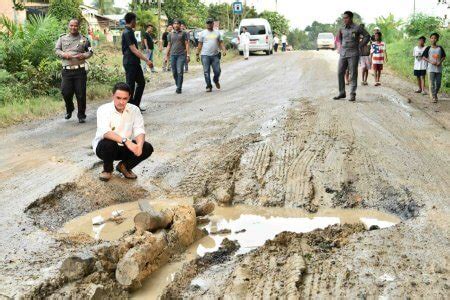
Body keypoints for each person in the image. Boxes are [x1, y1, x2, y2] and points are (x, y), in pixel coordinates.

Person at [92, 82, 153, 182]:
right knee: (108, 143)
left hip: (124, 148)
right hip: (105, 149)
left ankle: (124, 166)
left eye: (125, 99)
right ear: (113, 96)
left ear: (129, 97)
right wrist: (126, 141)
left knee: (147, 147)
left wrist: (139, 146)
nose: (121, 102)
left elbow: (139, 129)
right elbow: (105, 132)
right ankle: (107, 170)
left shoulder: (134, 110)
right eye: (118, 98)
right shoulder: (103, 109)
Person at [55, 18, 93, 123]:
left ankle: (81, 115)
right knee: (65, 92)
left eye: (75, 25)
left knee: (80, 94)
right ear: (69, 26)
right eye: (71, 25)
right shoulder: (62, 38)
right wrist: (63, 54)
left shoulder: (84, 39)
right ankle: (69, 109)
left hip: (79, 71)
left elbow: (90, 51)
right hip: (67, 71)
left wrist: (84, 55)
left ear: (78, 27)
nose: (73, 27)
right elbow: (57, 50)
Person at [333, 11, 370, 102]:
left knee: (353, 74)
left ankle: (352, 94)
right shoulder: (342, 28)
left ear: (351, 18)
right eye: (344, 18)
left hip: (353, 53)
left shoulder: (357, 28)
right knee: (340, 72)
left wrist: (360, 45)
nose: (344, 19)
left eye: (346, 18)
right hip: (343, 53)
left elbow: (367, 36)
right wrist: (341, 47)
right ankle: (342, 92)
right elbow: (340, 39)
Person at [121, 12, 153, 111]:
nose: (136, 22)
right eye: (135, 20)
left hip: (135, 62)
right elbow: (133, 49)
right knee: (130, 85)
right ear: (133, 20)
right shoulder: (127, 32)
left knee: (141, 82)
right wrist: (147, 60)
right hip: (130, 62)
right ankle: (129, 107)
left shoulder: (130, 31)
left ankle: (135, 105)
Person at [196, 18, 227, 92]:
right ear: (206, 24)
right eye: (208, 23)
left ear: (213, 24)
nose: (209, 24)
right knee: (206, 71)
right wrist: (197, 54)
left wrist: (224, 50)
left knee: (217, 71)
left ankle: (215, 80)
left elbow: (221, 42)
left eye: (210, 23)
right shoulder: (202, 33)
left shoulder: (217, 32)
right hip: (205, 55)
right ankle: (208, 86)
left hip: (215, 55)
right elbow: (200, 44)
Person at [165, 19, 190, 94]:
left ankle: (179, 88)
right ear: (173, 25)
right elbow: (169, 45)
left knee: (180, 71)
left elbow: (187, 44)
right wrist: (166, 56)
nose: (176, 25)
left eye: (177, 24)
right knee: (174, 72)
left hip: (181, 55)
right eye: (174, 24)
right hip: (173, 55)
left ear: (180, 25)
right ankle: (178, 84)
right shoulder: (170, 34)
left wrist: (188, 54)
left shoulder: (184, 33)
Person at [422, 32, 446, 103]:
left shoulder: (440, 48)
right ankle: (434, 97)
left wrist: (440, 62)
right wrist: (430, 61)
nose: (433, 39)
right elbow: (424, 57)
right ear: (430, 39)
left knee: (438, 83)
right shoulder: (428, 48)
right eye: (432, 38)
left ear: (437, 39)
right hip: (430, 69)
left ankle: (434, 94)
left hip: (439, 69)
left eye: (435, 38)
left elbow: (444, 56)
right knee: (432, 83)